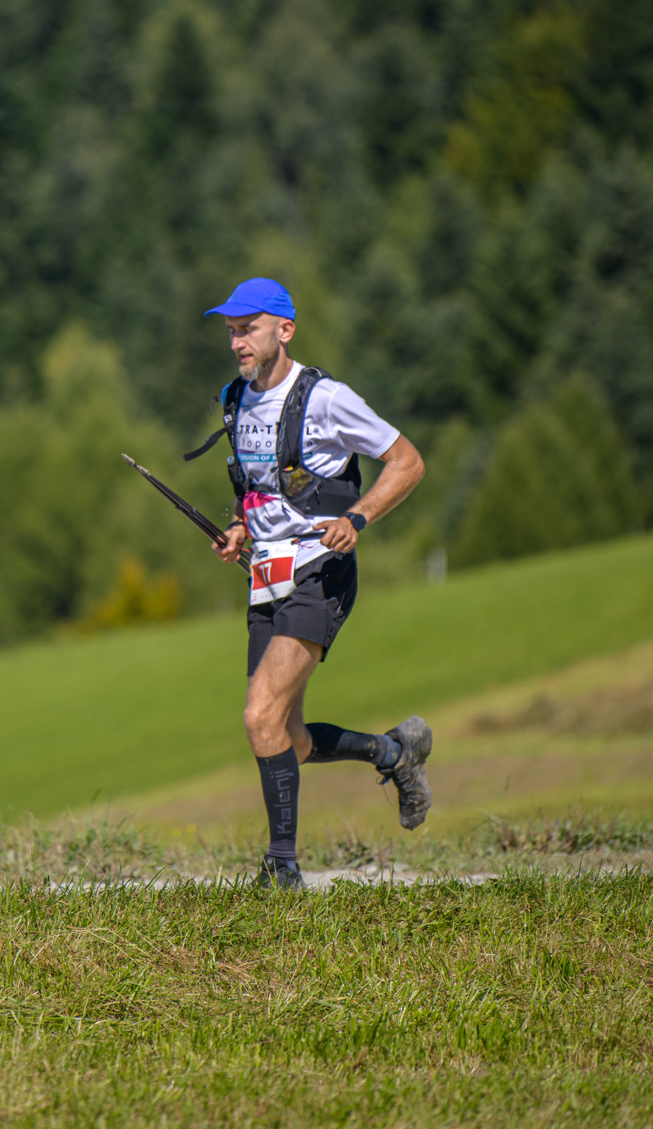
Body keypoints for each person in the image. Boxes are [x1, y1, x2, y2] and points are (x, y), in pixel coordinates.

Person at [194, 277, 431, 891]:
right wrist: (239, 530)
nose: (237, 342)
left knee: (258, 716)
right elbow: (260, 490)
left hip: (320, 573)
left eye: (248, 329)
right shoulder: (235, 400)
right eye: (231, 331)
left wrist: (358, 518)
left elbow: (407, 462)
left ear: (285, 330)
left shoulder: (326, 399)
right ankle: (394, 753)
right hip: (265, 578)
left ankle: (282, 869)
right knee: (285, 736)